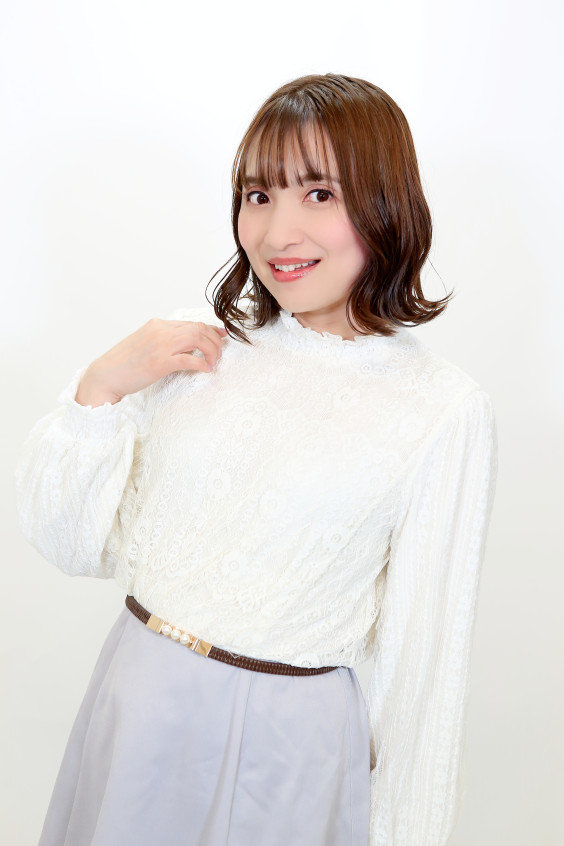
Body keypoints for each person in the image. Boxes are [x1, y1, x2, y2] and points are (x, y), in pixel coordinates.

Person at [14, 73, 498, 846]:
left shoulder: (440, 407)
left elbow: (423, 676)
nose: (276, 234)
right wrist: (101, 387)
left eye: (319, 193)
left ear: (386, 204)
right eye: (258, 195)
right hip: (135, 702)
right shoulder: (195, 347)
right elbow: (70, 545)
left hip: (288, 750)